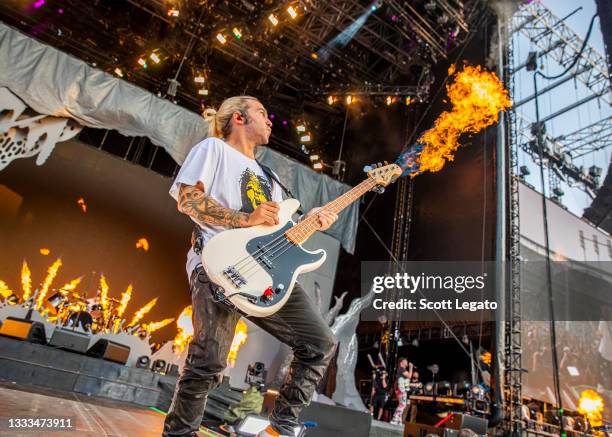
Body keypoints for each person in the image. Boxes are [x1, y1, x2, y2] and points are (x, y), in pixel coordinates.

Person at [162, 96, 339, 437]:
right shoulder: (213, 149)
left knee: (320, 343)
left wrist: (314, 222)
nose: (270, 120)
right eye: (262, 112)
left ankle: (283, 424)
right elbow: (189, 200)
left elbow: (275, 231)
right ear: (239, 118)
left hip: (264, 272)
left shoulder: (269, 177)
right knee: (209, 361)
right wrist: (245, 218)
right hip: (217, 263)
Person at [391, 357, 414, 425]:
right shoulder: (401, 369)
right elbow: (409, 376)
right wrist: (411, 367)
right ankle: (395, 418)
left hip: (400, 389)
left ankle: (399, 420)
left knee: (401, 404)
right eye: (405, 361)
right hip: (401, 389)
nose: (407, 362)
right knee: (402, 404)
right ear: (401, 362)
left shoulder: (400, 369)